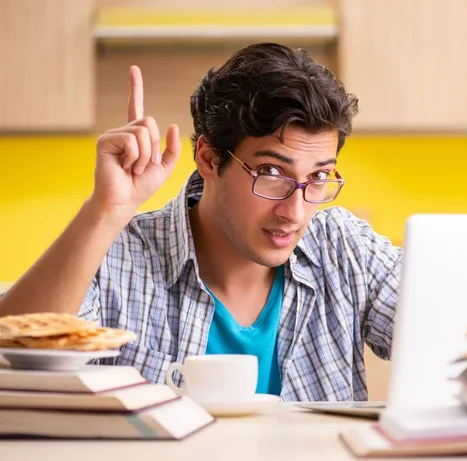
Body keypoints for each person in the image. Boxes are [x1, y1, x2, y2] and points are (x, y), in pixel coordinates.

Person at [0, 43, 402, 401]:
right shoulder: (120, 254)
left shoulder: (345, 248)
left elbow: (451, 335)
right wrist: (104, 210)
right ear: (210, 159)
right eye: (271, 174)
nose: (294, 213)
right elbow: (9, 352)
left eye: (317, 177)